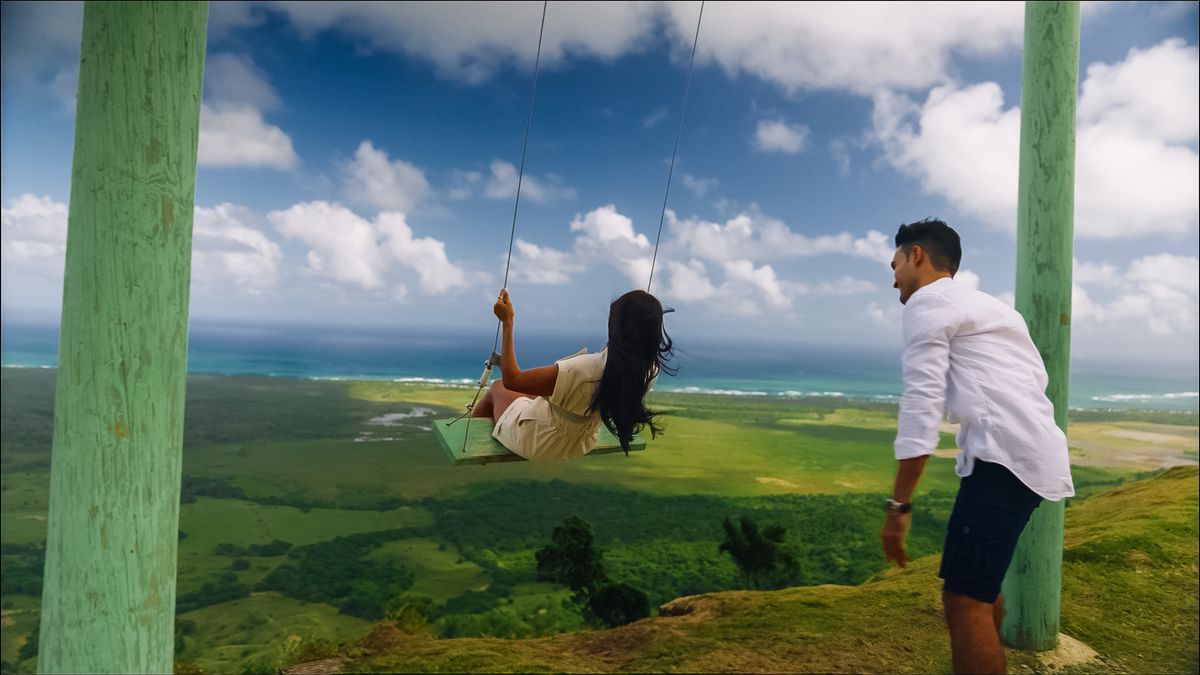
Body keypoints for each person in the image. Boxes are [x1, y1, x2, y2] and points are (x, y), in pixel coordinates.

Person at [879, 219, 1074, 675]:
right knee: (981, 589)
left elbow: (922, 404)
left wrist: (898, 506)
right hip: (1031, 455)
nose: (894, 279)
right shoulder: (991, 307)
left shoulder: (928, 302)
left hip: (1004, 459)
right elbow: (1036, 378)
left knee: (964, 600)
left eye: (895, 265)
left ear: (916, 255)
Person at [472, 288, 674, 461]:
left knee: (498, 387)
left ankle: (467, 438)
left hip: (537, 441)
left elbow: (512, 379)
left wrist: (508, 321)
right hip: (581, 442)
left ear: (616, 327)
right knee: (533, 394)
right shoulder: (649, 370)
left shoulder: (582, 370)